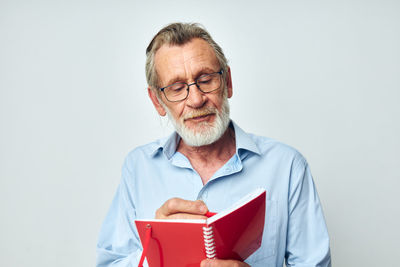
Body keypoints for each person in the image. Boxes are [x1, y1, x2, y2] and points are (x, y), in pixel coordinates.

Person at [96, 22, 331, 267]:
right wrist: (155, 253)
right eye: (177, 88)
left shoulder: (287, 166)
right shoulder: (138, 168)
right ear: (157, 101)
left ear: (227, 82)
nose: (196, 100)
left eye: (206, 80)